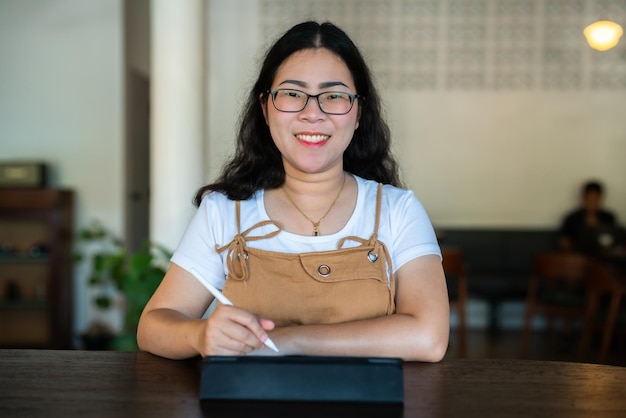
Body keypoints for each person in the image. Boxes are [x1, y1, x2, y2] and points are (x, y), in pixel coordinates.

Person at [137, 21, 449, 362]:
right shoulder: (225, 211)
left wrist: (283, 341)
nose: (312, 113)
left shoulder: (397, 210)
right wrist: (199, 335)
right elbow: (153, 327)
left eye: (333, 96)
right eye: (292, 94)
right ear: (265, 108)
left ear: (358, 112)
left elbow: (429, 337)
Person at [558, 180, 622, 255]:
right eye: (589, 198)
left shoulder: (608, 217)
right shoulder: (572, 219)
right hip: (579, 258)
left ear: (600, 198)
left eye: (595, 198)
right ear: (584, 197)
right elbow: (564, 242)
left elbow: (616, 240)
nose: (592, 202)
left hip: (604, 258)